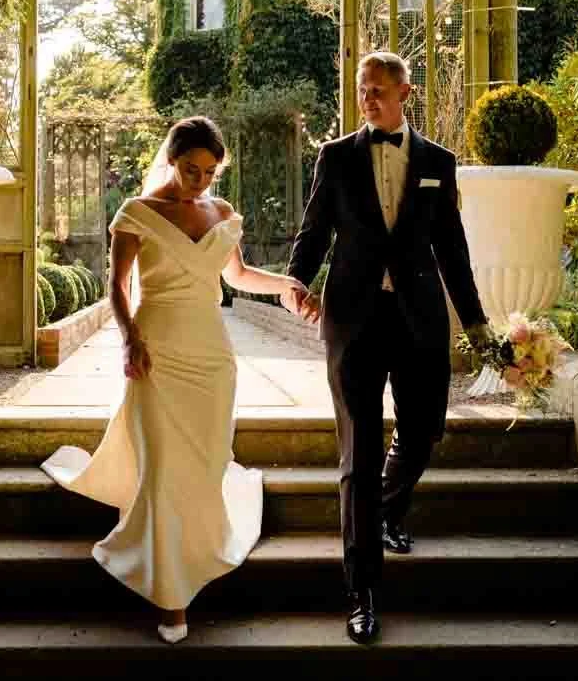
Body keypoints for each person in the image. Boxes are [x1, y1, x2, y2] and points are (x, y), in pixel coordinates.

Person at [41, 115, 311, 642]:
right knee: (163, 468)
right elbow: (116, 286)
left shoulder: (222, 211)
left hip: (211, 357)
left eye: (211, 172)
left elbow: (236, 275)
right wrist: (129, 338)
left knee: (205, 465)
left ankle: (193, 552)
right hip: (157, 349)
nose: (201, 180)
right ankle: (172, 600)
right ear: (171, 159)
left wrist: (286, 284)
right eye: (192, 169)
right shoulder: (138, 213)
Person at [284, 51, 491, 645]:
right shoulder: (337, 157)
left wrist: (475, 325)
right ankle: (362, 591)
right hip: (352, 320)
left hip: (419, 319)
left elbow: (451, 247)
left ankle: (386, 510)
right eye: (361, 91)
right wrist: (297, 283)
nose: (368, 99)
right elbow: (314, 230)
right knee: (359, 453)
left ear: (406, 93)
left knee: (426, 426)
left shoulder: (437, 163)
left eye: (378, 90)